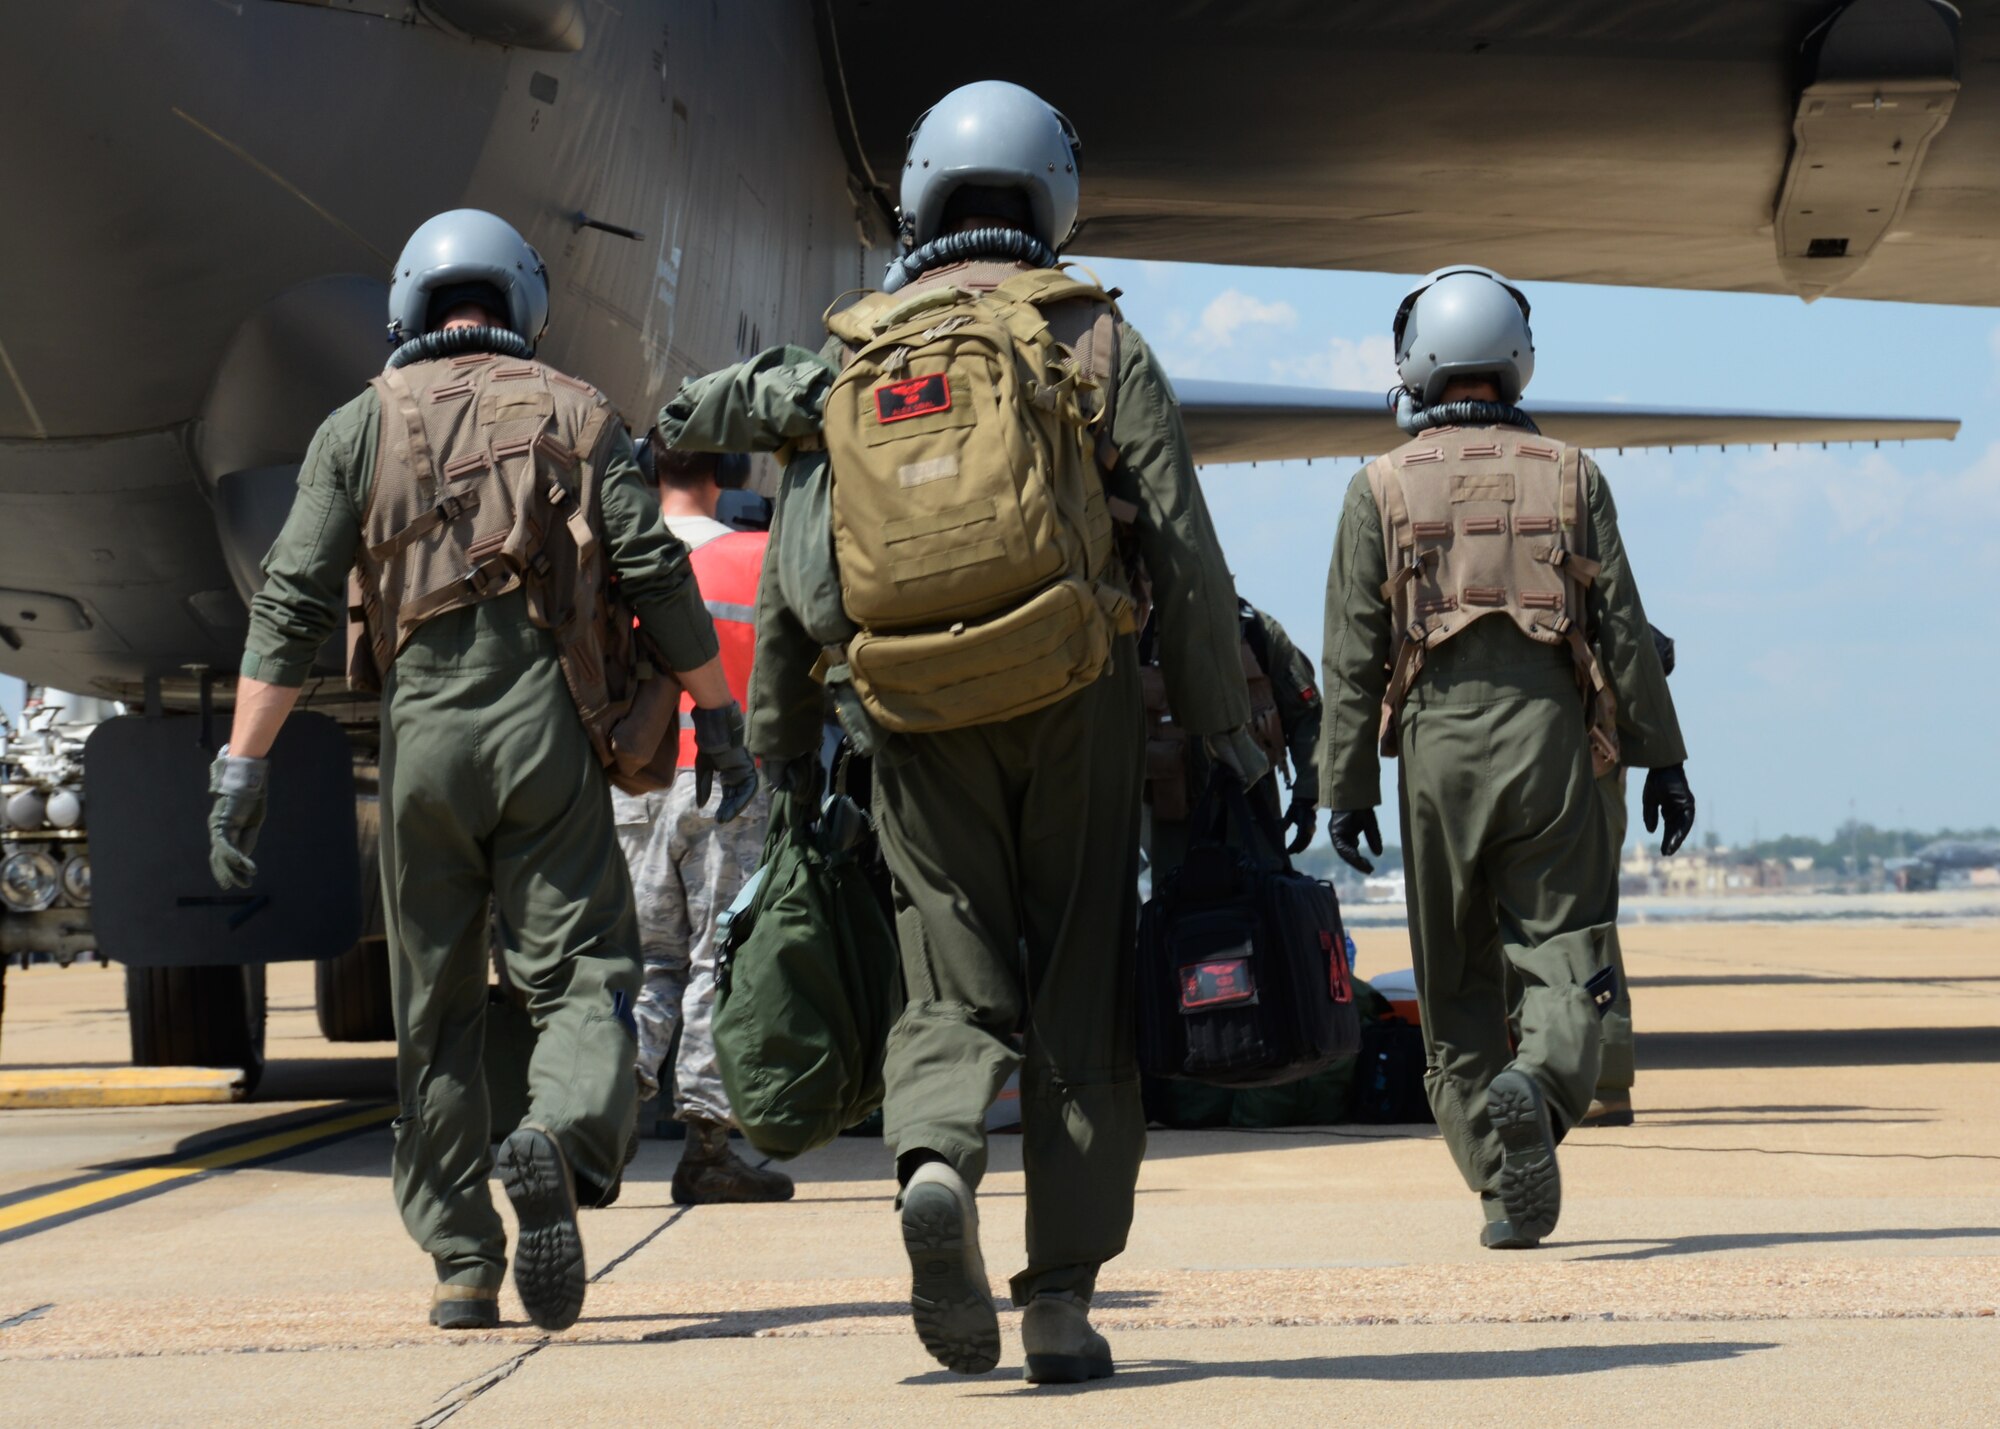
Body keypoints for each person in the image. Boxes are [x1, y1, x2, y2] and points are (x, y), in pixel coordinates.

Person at [659, 80, 1263, 1384]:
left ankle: (935, 1159)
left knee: (950, 981)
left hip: (911, 720)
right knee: (1081, 994)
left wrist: (778, 746)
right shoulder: (1095, 338)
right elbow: (1186, 553)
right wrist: (1227, 726)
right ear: (1054, 191)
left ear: (924, 190)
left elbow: (800, 585)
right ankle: (1057, 1306)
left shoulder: (856, 355)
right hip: (1077, 698)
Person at [203, 210, 756, 1334]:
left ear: (412, 304)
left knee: (437, 1011)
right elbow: (652, 571)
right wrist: (718, 715)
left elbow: (291, 601)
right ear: (520, 305)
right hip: (544, 738)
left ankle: (461, 1262)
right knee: (588, 973)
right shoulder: (580, 414)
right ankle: (553, 1133)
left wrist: (239, 768)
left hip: (423, 751)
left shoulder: (358, 425)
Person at [1317, 265, 1695, 1250]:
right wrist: (1662, 759)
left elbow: (1351, 655)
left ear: (1415, 360)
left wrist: (1344, 785)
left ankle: (1495, 1179)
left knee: (1455, 983)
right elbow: (1618, 626)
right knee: (1564, 951)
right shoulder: (1572, 475)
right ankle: (1542, 1086)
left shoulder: (1378, 486)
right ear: (1514, 357)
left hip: (1435, 752)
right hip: (1551, 741)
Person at [615, 440, 792, 1203]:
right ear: (729, 470)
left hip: (632, 780)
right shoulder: (759, 557)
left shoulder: (616, 559)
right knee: (717, 963)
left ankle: (604, 1116)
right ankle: (708, 1148)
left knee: (644, 961)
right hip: (726, 781)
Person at [1141, 597, 1322, 877]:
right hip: (1175, 826)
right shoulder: (1138, 641)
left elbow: (1306, 714)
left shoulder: (1258, 633)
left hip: (1254, 820)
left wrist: (1306, 798)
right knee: (1179, 912)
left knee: (1261, 907)